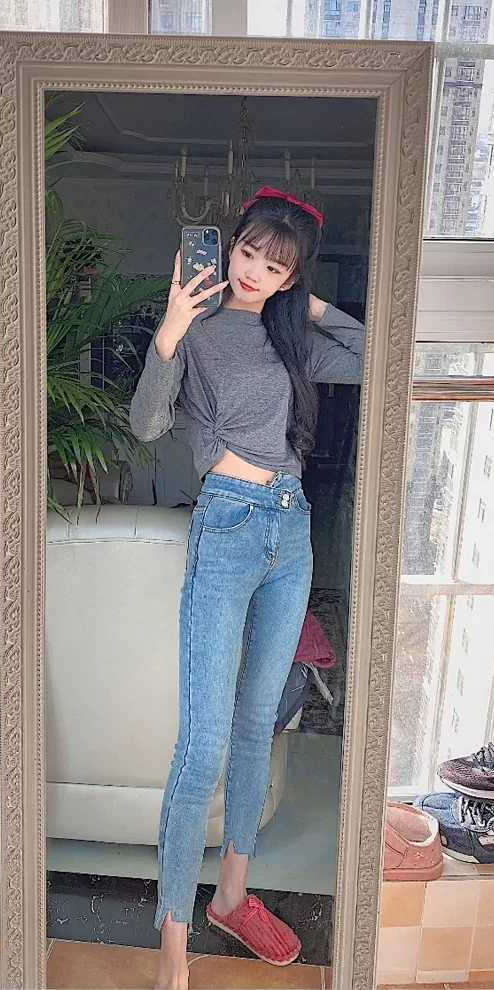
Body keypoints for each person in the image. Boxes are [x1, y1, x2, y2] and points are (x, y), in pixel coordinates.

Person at [130, 187, 364, 990]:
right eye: (250, 252)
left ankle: (232, 895)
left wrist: (310, 305)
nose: (256, 271)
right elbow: (147, 426)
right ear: (228, 246)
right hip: (227, 526)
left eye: (278, 266)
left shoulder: (290, 336)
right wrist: (170, 329)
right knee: (202, 746)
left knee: (257, 724)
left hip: (290, 533)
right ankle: (173, 949)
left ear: (294, 276)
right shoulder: (196, 330)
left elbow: (377, 355)